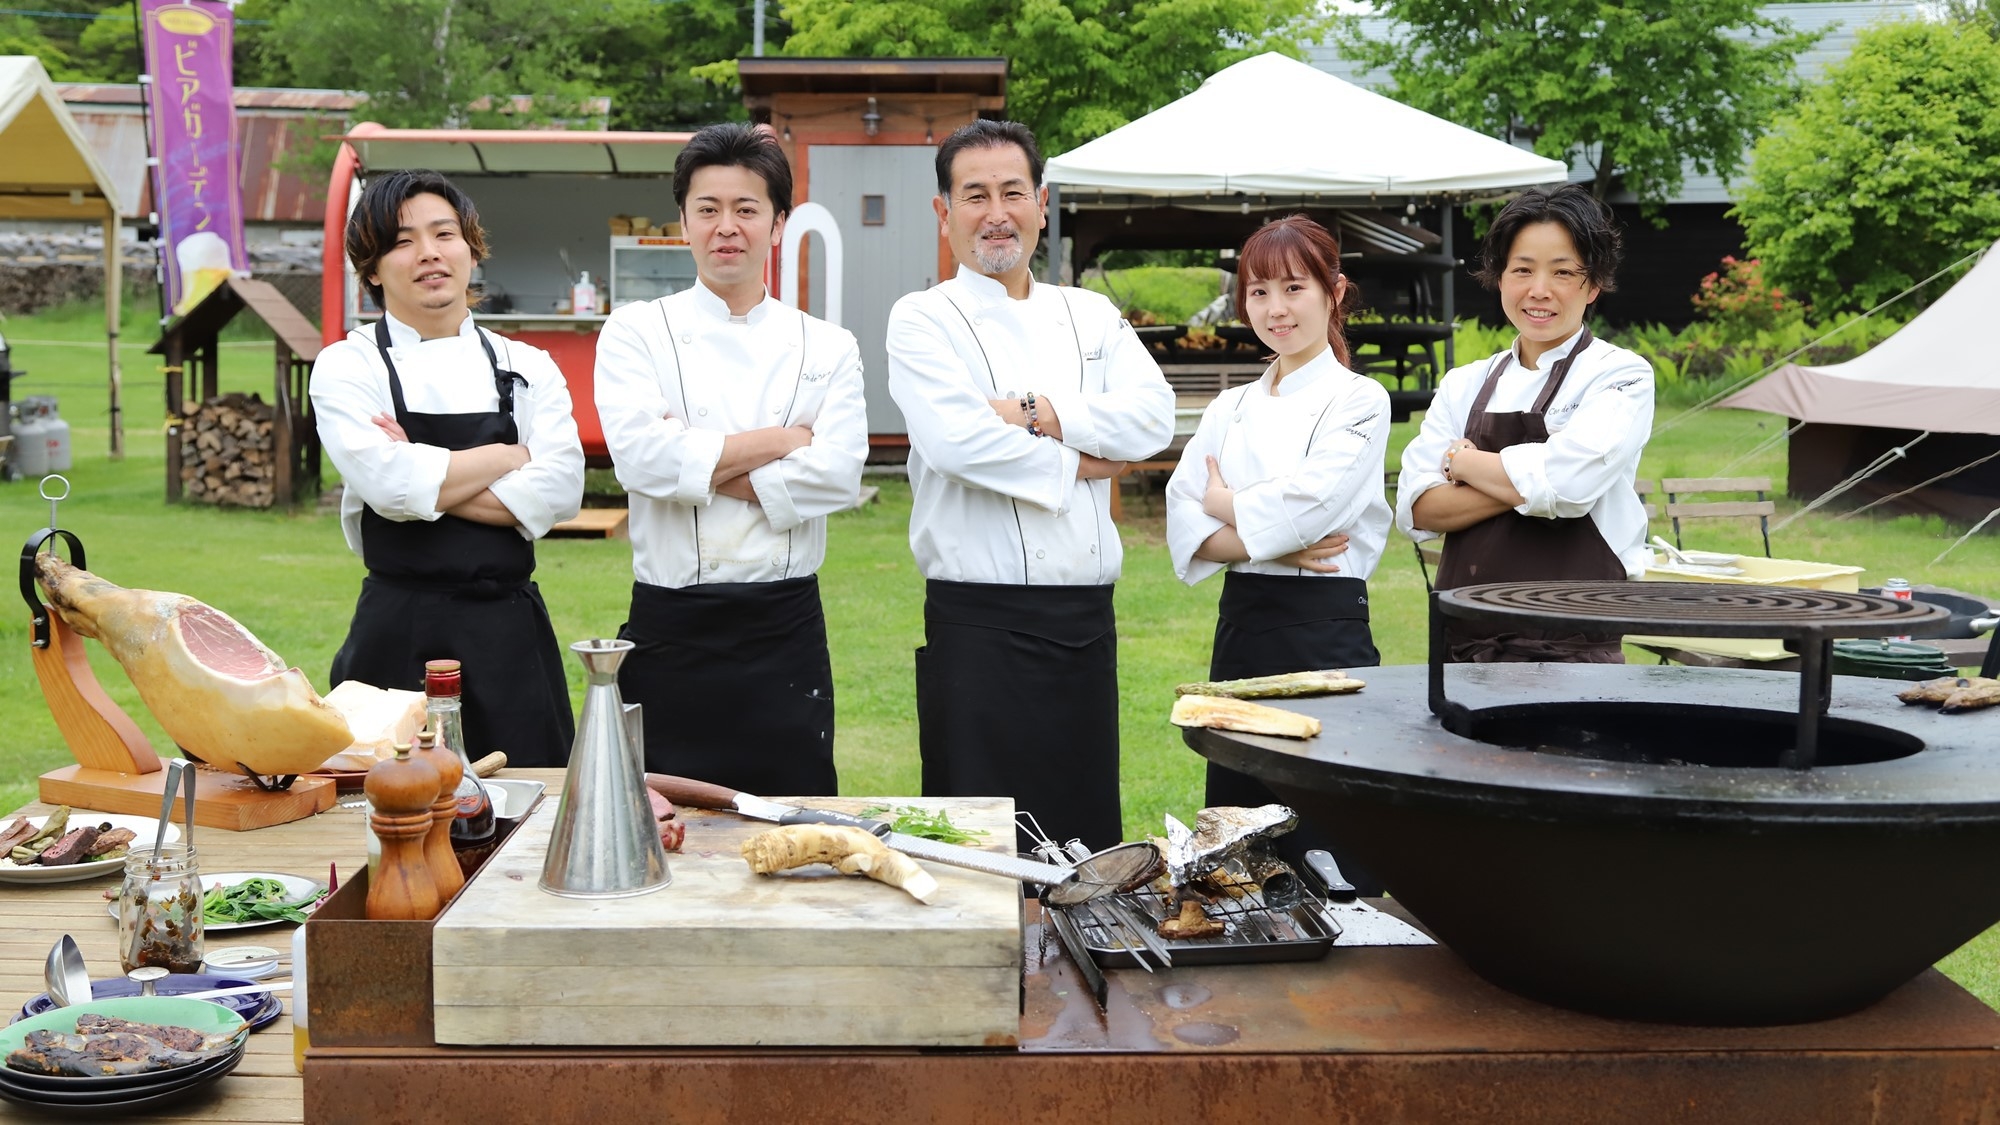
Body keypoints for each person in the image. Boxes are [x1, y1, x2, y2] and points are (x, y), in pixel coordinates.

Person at [888, 120, 1175, 853]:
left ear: (1041, 203)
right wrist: (1087, 456)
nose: (996, 213)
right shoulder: (922, 318)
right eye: (974, 194)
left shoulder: (1090, 312)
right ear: (943, 212)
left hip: (1085, 622)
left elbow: (1153, 418)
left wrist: (1034, 413)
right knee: (981, 849)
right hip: (977, 627)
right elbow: (956, 442)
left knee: (1086, 849)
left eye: (1013, 192)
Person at [593, 123, 866, 795]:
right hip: (670, 625)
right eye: (708, 209)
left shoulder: (827, 345)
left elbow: (837, 473)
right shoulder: (636, 331)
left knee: (793, 830)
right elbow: (640, 460)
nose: (727, 227)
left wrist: (697, 464)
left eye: (747, 209)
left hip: (785, 629)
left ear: (777, 225)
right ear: (682, 221)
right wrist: (781, 441)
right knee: (661, 833)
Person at [312, 169, 584, 767]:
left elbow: (562, 489)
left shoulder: (527, 365)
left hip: (510, 636)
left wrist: (424, 469)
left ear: (471, 249)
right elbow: (388, 488)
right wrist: (512, 456)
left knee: (528, 824)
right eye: (403, 241)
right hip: (396, 634)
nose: (429, 253)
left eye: (445, 234)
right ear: (373, 267)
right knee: (389, 819)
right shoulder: (346, 366)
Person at [1165, 215, 1392, 890]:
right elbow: (1183, 510)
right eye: (1259, 292)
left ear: (1335, 291)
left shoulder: (1360, 399)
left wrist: (1225, 504)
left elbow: (1314, 504)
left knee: (1328, 828)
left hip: (1325, 630)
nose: (1276, 309)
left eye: (1294, 287)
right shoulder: (1229, 406)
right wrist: (1277, 547)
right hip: (1243, 628)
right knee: (1237, 833)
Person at [1396, 184, 1655, 662]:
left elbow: (1569, 489)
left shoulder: (1620, 374)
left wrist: (1462, 461)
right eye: (1522, 270)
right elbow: (1418, 510)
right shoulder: (1463, 383)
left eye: (1563, 272)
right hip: (1463, 644)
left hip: (1575, 646)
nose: (1539, 290)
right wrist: (1532, 481)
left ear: (1593, 284)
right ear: (1499, 278)